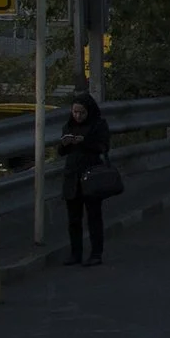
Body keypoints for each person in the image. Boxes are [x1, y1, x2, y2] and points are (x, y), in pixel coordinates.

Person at [56, 93, 111, 267]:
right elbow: (61, 152)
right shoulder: (69, 126)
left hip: (92, 175)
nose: (78, 116)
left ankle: (96, 253)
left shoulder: (98, 125)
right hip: (73, 176)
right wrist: (65, 144)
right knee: (74, 219)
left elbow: (103, 146)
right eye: (75, 112)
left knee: (94, 216)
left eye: (82, 113)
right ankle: (75, 253)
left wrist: (84, 141)